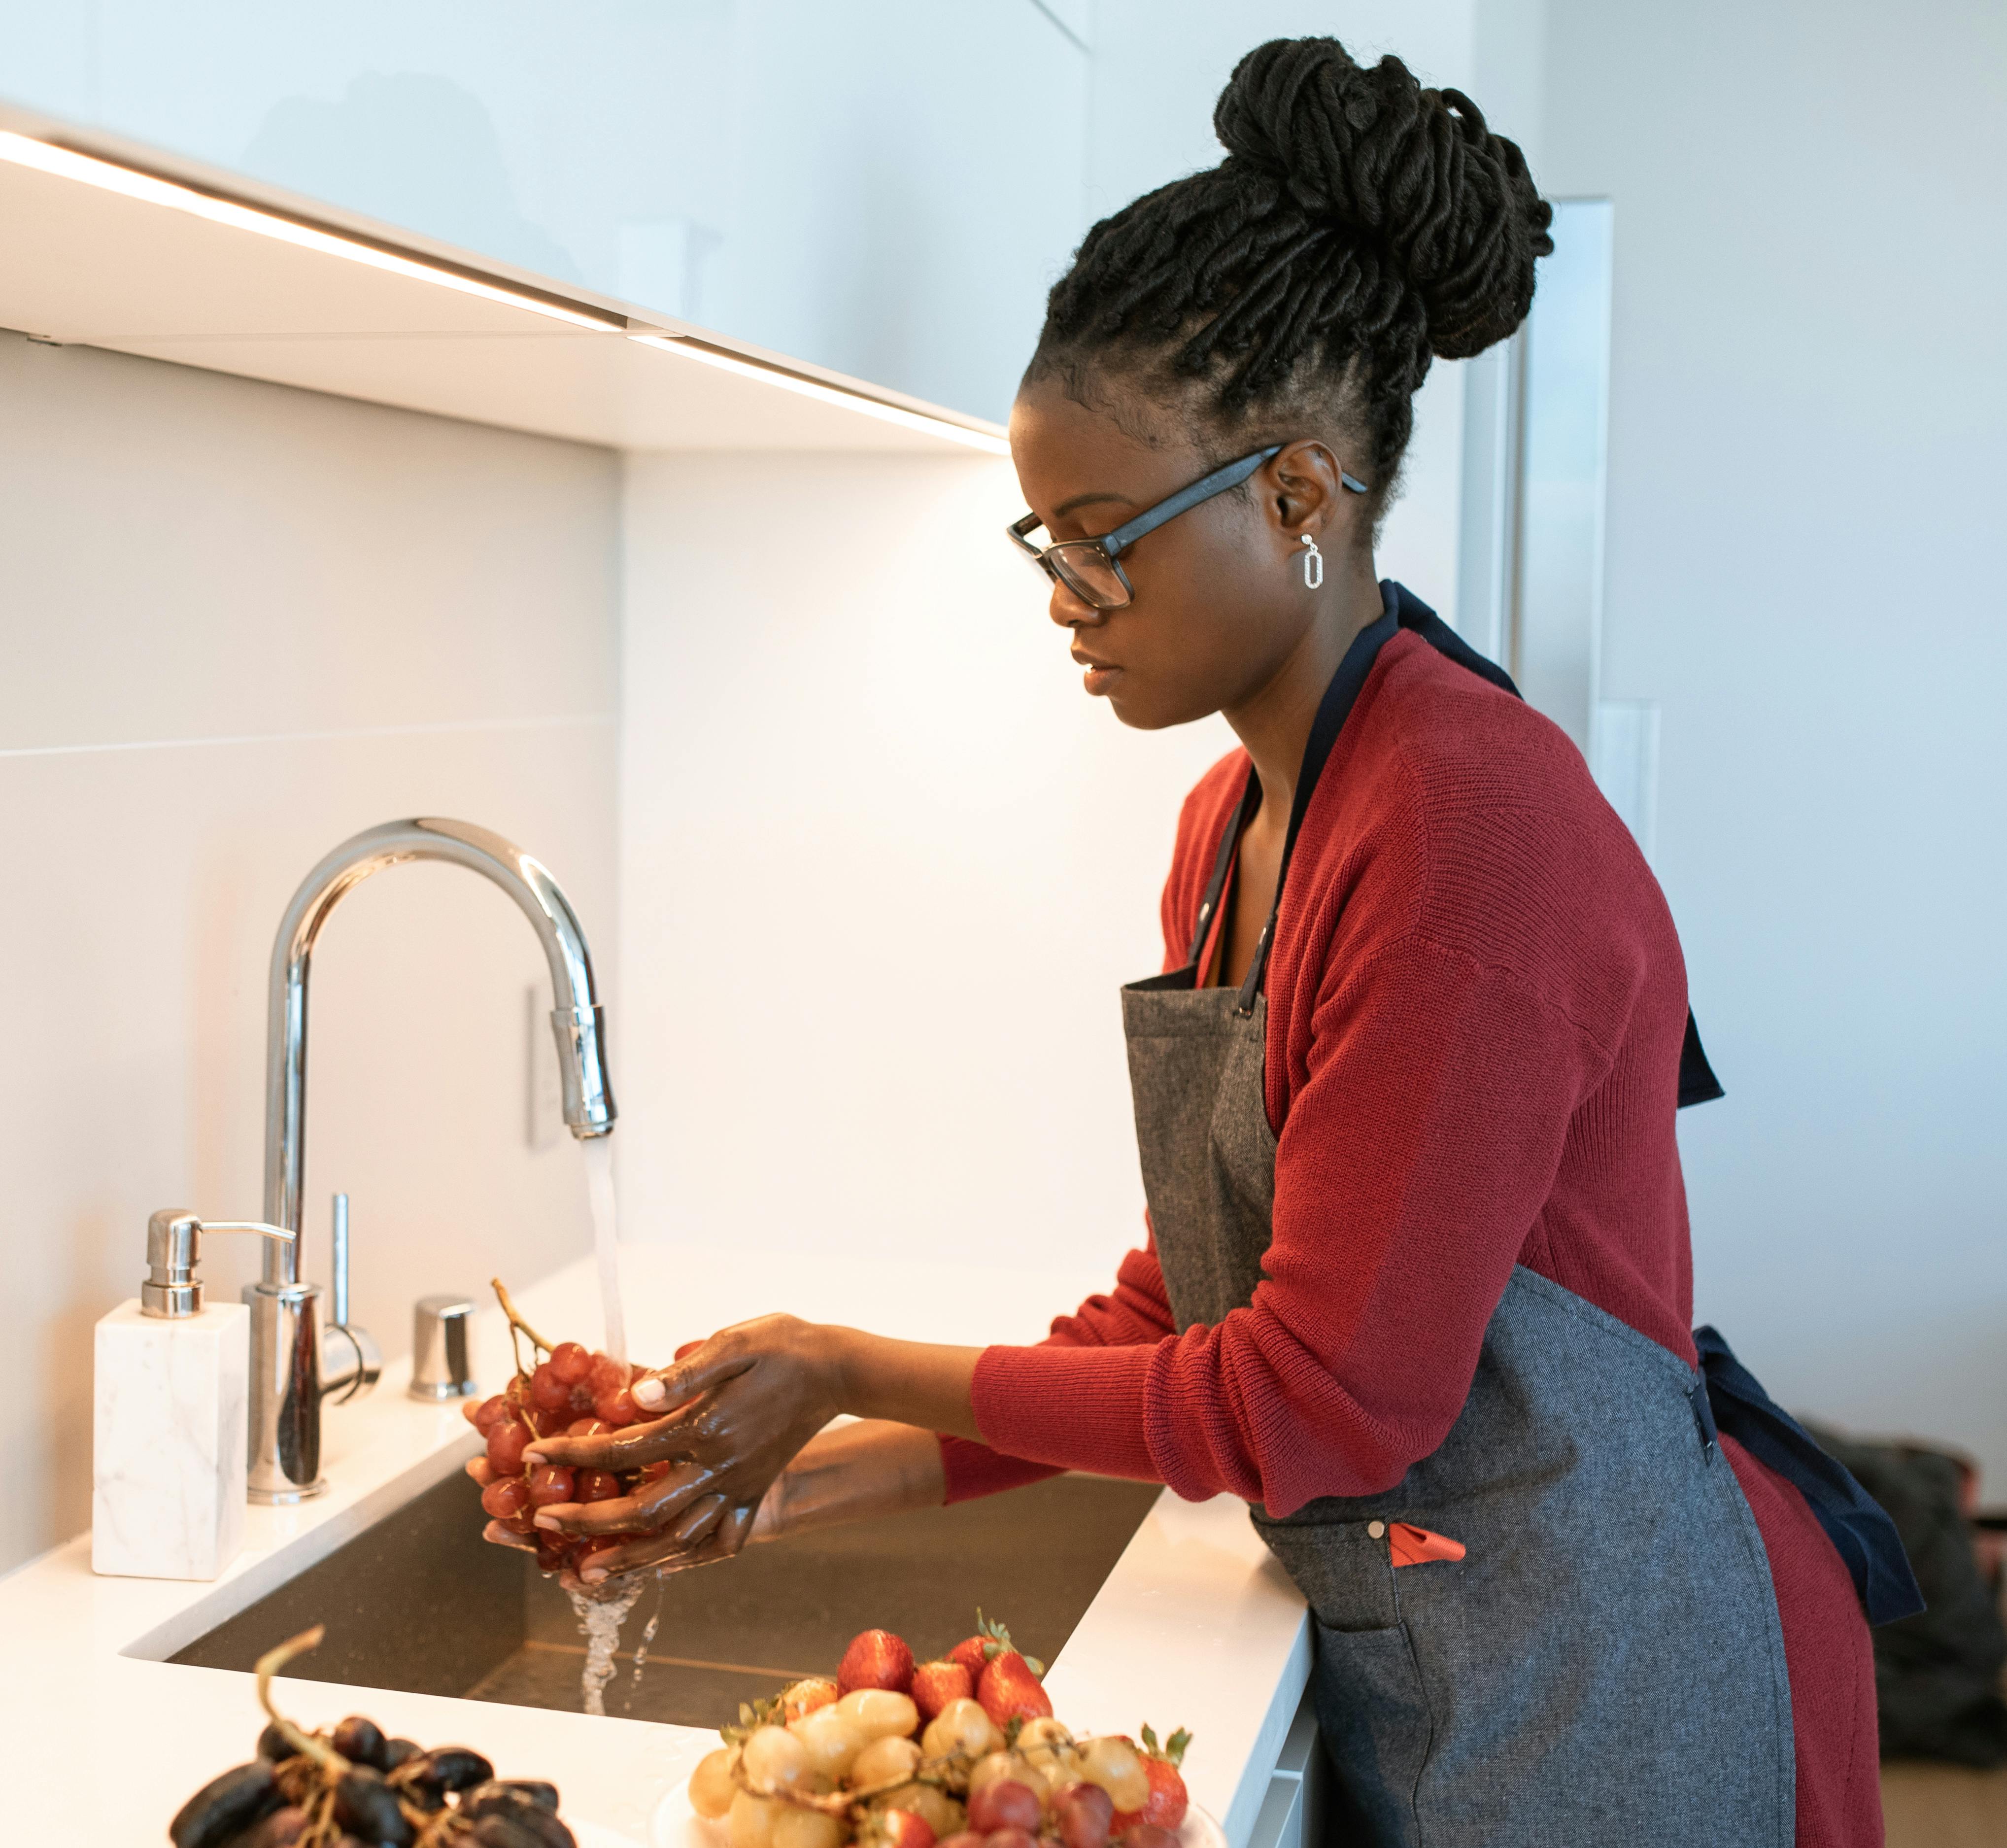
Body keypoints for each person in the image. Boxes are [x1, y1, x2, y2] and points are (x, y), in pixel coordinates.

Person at [506, 37, 1918, 1848]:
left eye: (1104, 544)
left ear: (1298, 498)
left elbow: (1322, 1400)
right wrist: (804, 1476)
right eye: (1045, 541)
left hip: (1601, 1668)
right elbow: (1209, 1290)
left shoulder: (1464, 831)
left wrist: (851, 1360)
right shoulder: (1238, 817)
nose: (1062, 604)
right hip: (1446, 1630)